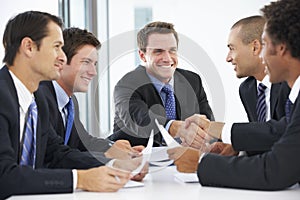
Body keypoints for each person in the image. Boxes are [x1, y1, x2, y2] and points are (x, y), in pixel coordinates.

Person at [0, 11, 140, 199]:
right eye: (57, 47)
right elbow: (4, 176)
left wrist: (114, 165)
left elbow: (56, 153)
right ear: (29, 47)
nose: (63, 57)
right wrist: (79, 179)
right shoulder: (3, 96)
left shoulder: (36, 101)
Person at [168, 0, 300, 190]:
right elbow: (283, 140)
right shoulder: (248, 89)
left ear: (281, 49)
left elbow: (275, 167)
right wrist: (239, 148)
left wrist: (201, 163)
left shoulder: (290, 89)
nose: (262, 56)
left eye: (266, 45)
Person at [39, 27, 147, 181]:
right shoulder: (41, 98)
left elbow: (83, 142)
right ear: (61, 61)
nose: (93, 72)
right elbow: (57, 154)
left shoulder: (69, 101)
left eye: (94, 64)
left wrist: (113, 148)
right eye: (86, 62)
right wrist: (112, 161)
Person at [108, 21, 214, 147]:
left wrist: (204, 137)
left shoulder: (192, 80)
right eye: (158, 51)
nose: (167, 58)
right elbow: (142, 120)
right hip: (137, 159)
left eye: (172, 51)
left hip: (184, 158)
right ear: (143, 56)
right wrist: (177, 128)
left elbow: (208, 124)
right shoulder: (127, 84)